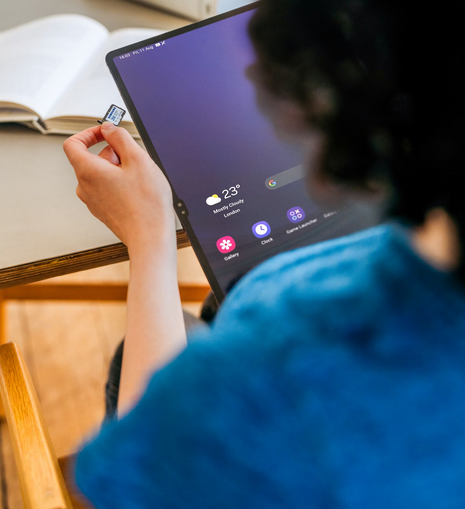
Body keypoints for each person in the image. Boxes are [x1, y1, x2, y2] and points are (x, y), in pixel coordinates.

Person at [63, 0, 465, 507]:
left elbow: (152, 482)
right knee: (210, 313)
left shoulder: (279, 359)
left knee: (151, 349)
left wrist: (148, 234)